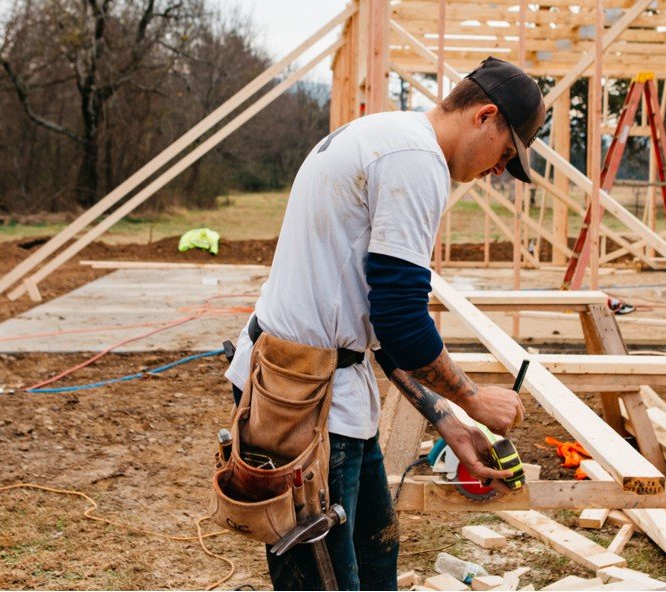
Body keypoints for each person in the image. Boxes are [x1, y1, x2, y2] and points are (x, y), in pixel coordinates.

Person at [223, 56, 546, 590]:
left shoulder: (390, 135)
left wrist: (444, 419)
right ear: (485, 116)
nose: (495, 171)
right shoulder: (416, 162)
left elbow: (379, 320)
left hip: (316, 389)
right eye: (504, 153)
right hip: (304, 406)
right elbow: (401, 323)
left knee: (377, 556)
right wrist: (474, 400)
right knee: (325, 581)